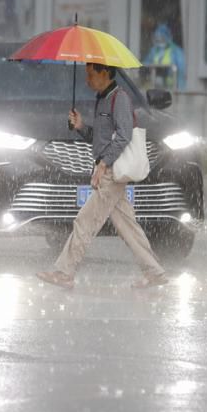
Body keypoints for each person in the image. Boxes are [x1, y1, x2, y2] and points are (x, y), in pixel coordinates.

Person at [37, 62, 167, 290]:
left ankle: (64, 272)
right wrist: (80, 126)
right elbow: (100, 139)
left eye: (91, 73)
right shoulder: (103, 99)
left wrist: (104, 165)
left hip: (111, 173)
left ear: (104, 73)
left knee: (85, 221)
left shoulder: (120, 99)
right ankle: (154, 272)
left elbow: (124, 136)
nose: (87, 79)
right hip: (108, 170)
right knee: (128, 227)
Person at [145, 23, 187, 90]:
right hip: (155, 87)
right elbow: (146, 65)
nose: (160, 41)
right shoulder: (154, 50)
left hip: (172, 88)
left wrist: (180, 89)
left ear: (167, 37)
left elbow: (181, 72)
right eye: (157, 39)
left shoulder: (176, 51)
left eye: (162, 38)